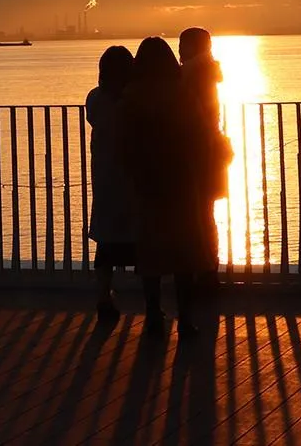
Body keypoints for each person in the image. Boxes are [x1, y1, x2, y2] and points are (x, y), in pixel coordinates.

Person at [121, 35, 217, 339]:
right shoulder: (182, 94)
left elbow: (124, 144)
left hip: (147, 181)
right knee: (184, 252)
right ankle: (186, 318)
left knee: (150, 252)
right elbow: (200, 134)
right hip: (180, 179)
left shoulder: (131, 96)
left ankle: (152, 313)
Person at [178, 28, 232, 292]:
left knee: (195, 215)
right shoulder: (207, 74)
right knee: (205, 214)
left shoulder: (189, 75)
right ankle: (208, 269)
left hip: (196, 154)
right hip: (209, 152)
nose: (179, 50)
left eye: (183, 44)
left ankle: (201, 271)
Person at [86, 45, 137, 325]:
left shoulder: (95, 99)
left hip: (105, 179)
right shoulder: (133, 102)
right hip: (132, 177)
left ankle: (103, 295)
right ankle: (153, 303)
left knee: (106, 243)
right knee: (141, 239)